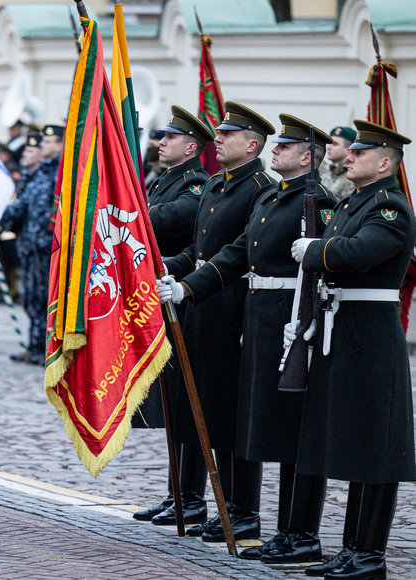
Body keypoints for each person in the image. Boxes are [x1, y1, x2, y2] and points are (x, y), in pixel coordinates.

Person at [161, 115, 337, 563]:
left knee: (284, 427)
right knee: (251, 415)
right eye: (276, 146)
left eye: (286, 146)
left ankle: (291, 528)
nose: (277, 151)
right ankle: (252, 514)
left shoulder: (315, 199)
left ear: (307, 156)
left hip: (287, 321)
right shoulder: (274, 197)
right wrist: (186, 284)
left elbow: (325, 267)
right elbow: (236, 252)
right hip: (257, 315)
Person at [288, 120, 415, 579]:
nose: (349, 157)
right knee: (354, 445)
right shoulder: (352, 203)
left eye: (360, 153)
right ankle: (350, 548)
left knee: (376, 449)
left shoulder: (390, 209)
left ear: (384, 162)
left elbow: (361, 252)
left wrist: (317, 250)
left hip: (371, 338)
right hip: (342, 331)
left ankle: (370, 555)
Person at [162, 101, 276, 543]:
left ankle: (240, 507)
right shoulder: (216, 186)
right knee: (200, 404)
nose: (219, 139)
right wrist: (168, 270)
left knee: (230, 412)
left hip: (234, 309)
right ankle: (197, 497)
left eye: (227, 135)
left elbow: (242, 253)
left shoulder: (259, 188)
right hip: (201, 306)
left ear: (252, 145)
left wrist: (192, 283)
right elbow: (200, 250)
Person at [133, 106, 212, 527]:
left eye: (169, 137)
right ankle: (176, 494)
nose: (160, 142)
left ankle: (192, 497)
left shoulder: (197, 184)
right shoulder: (165, 179)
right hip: (158, 293)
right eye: (160, 136)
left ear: (191, 146)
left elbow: (166, 219)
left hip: (183, 297)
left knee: (186, 398)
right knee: (171, 401)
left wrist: (125, 213)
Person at [2, 125, 62, 364]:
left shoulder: (58, 175)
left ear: (60, 144)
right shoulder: (40, 174)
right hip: (31, 246)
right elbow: (21, 207)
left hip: (48, 247)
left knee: (46, 298)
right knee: (32, 299)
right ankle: (35, 345)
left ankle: (47, 348)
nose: (44, 146)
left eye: (49, 143)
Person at [319, 125, 356, 200]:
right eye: (329, 143)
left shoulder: (352, 175)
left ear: (349, 149)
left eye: (335, 144)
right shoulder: (327, 170)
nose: (328, 147)